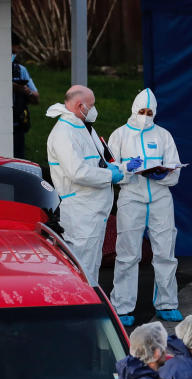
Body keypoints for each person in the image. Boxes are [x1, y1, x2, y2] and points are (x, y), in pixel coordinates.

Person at [107, 88, 183, 326]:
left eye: (150, 112)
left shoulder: (163, 136)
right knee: (128, 254)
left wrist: (164, 176)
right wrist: (127, 168)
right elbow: (110, 170)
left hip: (160, 198)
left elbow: (175, 170)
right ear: (134, 109)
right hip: (131, 197)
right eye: (142, 111)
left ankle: (167, 303)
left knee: (165, 253)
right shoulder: (119, 135)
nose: (146, 115)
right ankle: (122, 306)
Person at [46, 85, 125, 285]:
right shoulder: (64, 133)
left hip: (92, 210)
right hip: (80, 211)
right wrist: (109, 175)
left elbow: (95, 161)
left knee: (91, 264)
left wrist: (112, 167)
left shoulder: (82, 127)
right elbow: (77, 172)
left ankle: (90, 308)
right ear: (80, 106)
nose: (94, 109)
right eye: (92, 105)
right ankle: (83, 311)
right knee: (82, 267)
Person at [11, 34, 39, 159]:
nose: (14, 54)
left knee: (18, 160)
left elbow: (36, 97)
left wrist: (23, 90)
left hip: (17, 124)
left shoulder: (20, 70)